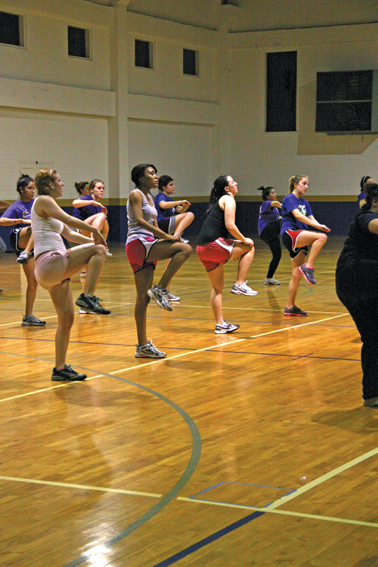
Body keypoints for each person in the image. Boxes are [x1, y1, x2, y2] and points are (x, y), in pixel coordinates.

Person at [32, 169, 110, 381]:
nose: (63, 184)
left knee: (66, 319)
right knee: (98, 251)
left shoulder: (48, 206)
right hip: (51, 261)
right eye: (59, 181)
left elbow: (70, 234)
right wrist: (95, 233)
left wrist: (96, 242)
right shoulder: (42, 200)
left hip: (52, 271)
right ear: (49, 185)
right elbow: (69, 219)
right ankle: (88, 296)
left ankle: (59, 369)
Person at [126, 164, 192, 358]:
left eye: (155, 173)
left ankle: (142, 346)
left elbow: (153, 223)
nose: (156, 177)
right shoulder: (135, 194)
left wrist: (163, 238)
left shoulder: (151, 198)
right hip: (138, 243)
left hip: (146, 244)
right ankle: (161, 288)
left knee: (142, 298)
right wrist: (167, 236)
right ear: (140, 178)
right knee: (185, 249)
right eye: (151, 174)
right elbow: (138, 220)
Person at [196, 175, 256, 334]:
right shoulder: (228, 199)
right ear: (227, 188)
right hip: (213, 244)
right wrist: (244, 239)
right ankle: (239, 284)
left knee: (217, 288)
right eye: (232, 181)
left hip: (201, 249)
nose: (236, 183)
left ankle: (220, 324)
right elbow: (230, 225)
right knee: (250, 247)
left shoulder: (217, 202)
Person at [336, 183, 378, 407]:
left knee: (374, 338)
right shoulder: (365, 217)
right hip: (353, 275)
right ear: (374, 202)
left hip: (363, 288)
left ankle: (371, 395)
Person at [280, 175, 330, 317]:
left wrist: (319, 225)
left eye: (308, 184)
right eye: (304, 183)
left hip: (300, 234)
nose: (306, 186)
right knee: (322, 237)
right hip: (291, 233)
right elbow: (298, 216)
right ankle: (308, 267)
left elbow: (310, 218)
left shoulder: (305, 202)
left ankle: (290, 306)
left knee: (296, 275)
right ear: (295, 184)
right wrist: (318, 228)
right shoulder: (289, 198)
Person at [0, 174, 45, 326]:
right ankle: (25, 252)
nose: (33, 191)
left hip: (35, 243)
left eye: (34, 188)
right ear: (21, 189)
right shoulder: (16, 206)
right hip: (19, 237)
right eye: (29, 188)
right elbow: (2, 221)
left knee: (33, 282)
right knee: (34, 227)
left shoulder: (37, 203)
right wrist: (20, 220)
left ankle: (28, 316)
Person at [154, 175, 195, 301]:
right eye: (171, 184)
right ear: (163, 187)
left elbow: (180, 211)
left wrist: (185, 206)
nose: (174, 186)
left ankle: (164, 290)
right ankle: (177, 236)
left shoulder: (170, 199)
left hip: (167, 226)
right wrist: (179, 201)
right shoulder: (161, 196)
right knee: (190, 216)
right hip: (161, 224)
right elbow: (163, 205)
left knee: (170, 262)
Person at [72, 178, 112, 273]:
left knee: (103, 217)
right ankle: (94, 243)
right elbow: (74, 203)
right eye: (99, 188)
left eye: (103, 188)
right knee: (102, 216)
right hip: (75, 230)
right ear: (91, 190)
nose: (102, 190)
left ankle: (102, 245)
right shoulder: (88, 198)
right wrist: (92, 202)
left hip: (85, 232)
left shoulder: (99, 207)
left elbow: (105, 229)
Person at [257, 185, 282, 285]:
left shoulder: (275, 209)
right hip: (266, 229)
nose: (275, 194)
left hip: (271, 233)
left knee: (277, 255)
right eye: (272, 193)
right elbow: (276, 203)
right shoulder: (266, 203)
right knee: (285, 220)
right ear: (267, 196)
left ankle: (269, 278)